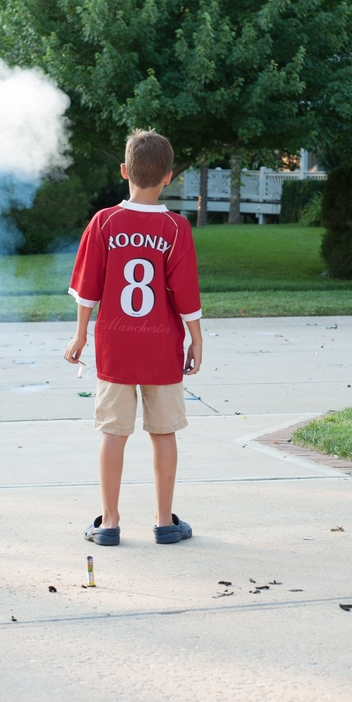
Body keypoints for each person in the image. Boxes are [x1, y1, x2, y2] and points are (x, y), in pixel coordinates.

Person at [64, 129, 202, 546]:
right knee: (163, 434)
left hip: (115, 348)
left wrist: (80, 336)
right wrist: (196, 340)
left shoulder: (104, 221)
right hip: (161, 348)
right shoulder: (176, 228)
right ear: (169, 177)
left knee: (113, 434)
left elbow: (88, 288)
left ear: (124, 170)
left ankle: (109, 524)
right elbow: (186, 294)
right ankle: (164, 522)